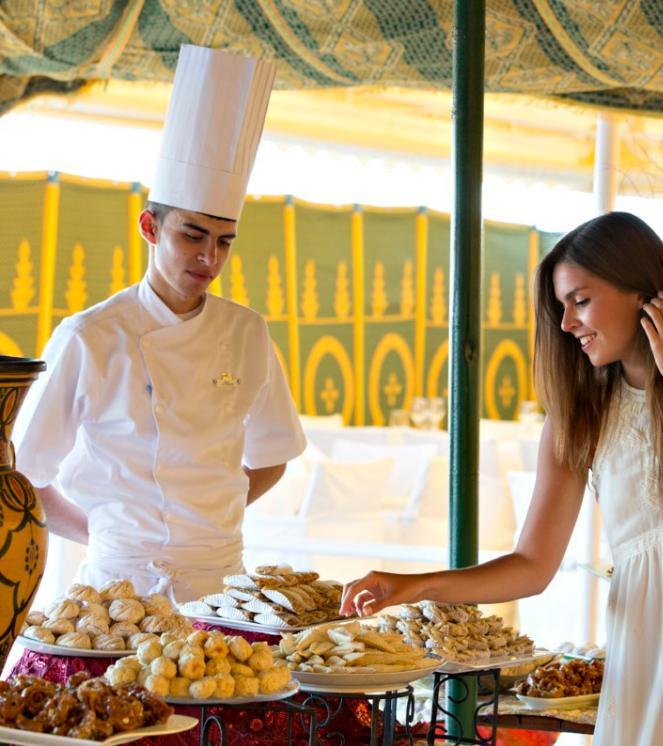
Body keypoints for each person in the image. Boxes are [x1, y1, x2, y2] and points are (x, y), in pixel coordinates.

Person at [341, 212, 663, 746]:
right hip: (643, 642)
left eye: (580, 301)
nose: (566, 324)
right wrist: (413, 586)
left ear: (642, 291)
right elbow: (532, 566)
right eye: (560, 307)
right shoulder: (580, 416)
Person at [13, 45, 306, 602]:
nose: (208, 259)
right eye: (192, 235)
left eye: (224, 242)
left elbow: (273, 457)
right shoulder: (90, 337)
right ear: (150, 227)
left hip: (224, 594)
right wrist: (106, 535)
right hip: (116, 593)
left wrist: (208, 517)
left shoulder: (247, 332)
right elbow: (25, 475)